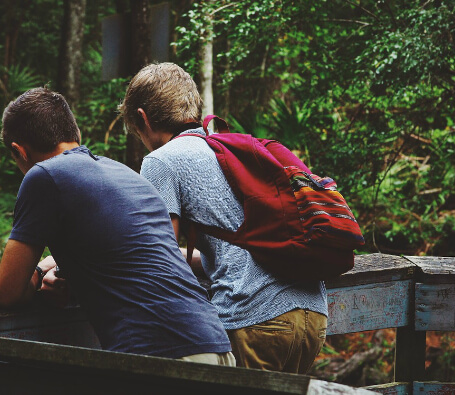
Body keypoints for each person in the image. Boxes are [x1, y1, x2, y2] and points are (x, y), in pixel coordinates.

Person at [0, 87, 234, 365]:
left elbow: (7, 292)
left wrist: (36, 274)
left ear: (19, 151)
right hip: (216, 344)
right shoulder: (126, 175)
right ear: (76, 135)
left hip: (161, 352)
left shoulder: (44, 176)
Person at [118, 63, 328, 373]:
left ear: (143, 119)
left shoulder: (161, 161)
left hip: (255, 318)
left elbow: (158, 257)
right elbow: (236, 246)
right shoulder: (229, 150)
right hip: (313, 315)